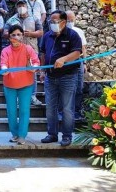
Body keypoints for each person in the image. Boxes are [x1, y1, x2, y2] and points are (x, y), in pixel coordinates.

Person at [39, 10, 82, 147]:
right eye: (51, 21)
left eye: (55, 21)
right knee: (50, 107)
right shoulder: (47, 36)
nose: (52, 23)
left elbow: (77, 52)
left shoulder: (72, 35)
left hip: (68, 77)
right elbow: (43, 54)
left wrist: (64, 59)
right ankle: (52, 134)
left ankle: (67, 136)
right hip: (50, 77)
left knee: (67, 108)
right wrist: (42, 70)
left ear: (63, 22)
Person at [0, 25, 40, 145]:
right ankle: (15, 134)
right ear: (9, 37)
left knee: (24, 110)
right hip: (9, 85)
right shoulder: (5, 51)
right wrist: (4, 69)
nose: (16, 37)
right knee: (11, 111)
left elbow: (36, 62)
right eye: (13, 35)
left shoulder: (28, 49)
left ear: (22, 36)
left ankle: (22, 135)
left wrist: (34, 67)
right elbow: (3, 63)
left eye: (19, 34)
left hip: (26, 84)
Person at [4, 0, 43, 106]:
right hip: (15, 51)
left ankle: (32, 96)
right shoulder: (11, 20)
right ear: (16, 7)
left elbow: (40, 32)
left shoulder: (34, 18)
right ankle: (17, 96)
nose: (21, 7)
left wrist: (30, 33)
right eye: (19, 6)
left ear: (27, 6)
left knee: (32, 73)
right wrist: (16, 35)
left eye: (23, 5)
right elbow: (5, 33)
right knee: (16, 72)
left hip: (31, 49)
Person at [66, 10, 87, 121]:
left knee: (79, 88)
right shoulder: (60, 32)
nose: (70, 22)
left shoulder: (79, 31)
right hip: (65, 64)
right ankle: (64, 112)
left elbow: (83, 48)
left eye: (72, 20)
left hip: (78, 63)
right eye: (68, 20)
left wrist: (85, 63)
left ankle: (77, 111)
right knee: (66, 89)